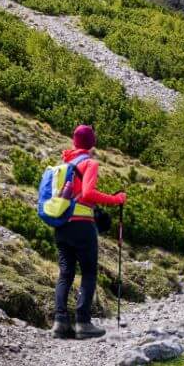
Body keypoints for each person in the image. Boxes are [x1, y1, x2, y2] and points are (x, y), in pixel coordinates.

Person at [53, 124, 126, 339]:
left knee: (65, 273)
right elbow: (87, 193)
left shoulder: (63, 166)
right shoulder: (89, 163)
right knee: (89, 272)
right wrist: (115, 199)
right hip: (82, 226)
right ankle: (83, 323)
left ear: (74, 142)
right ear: (92, 143)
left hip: (61, 224)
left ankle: (60, 322)